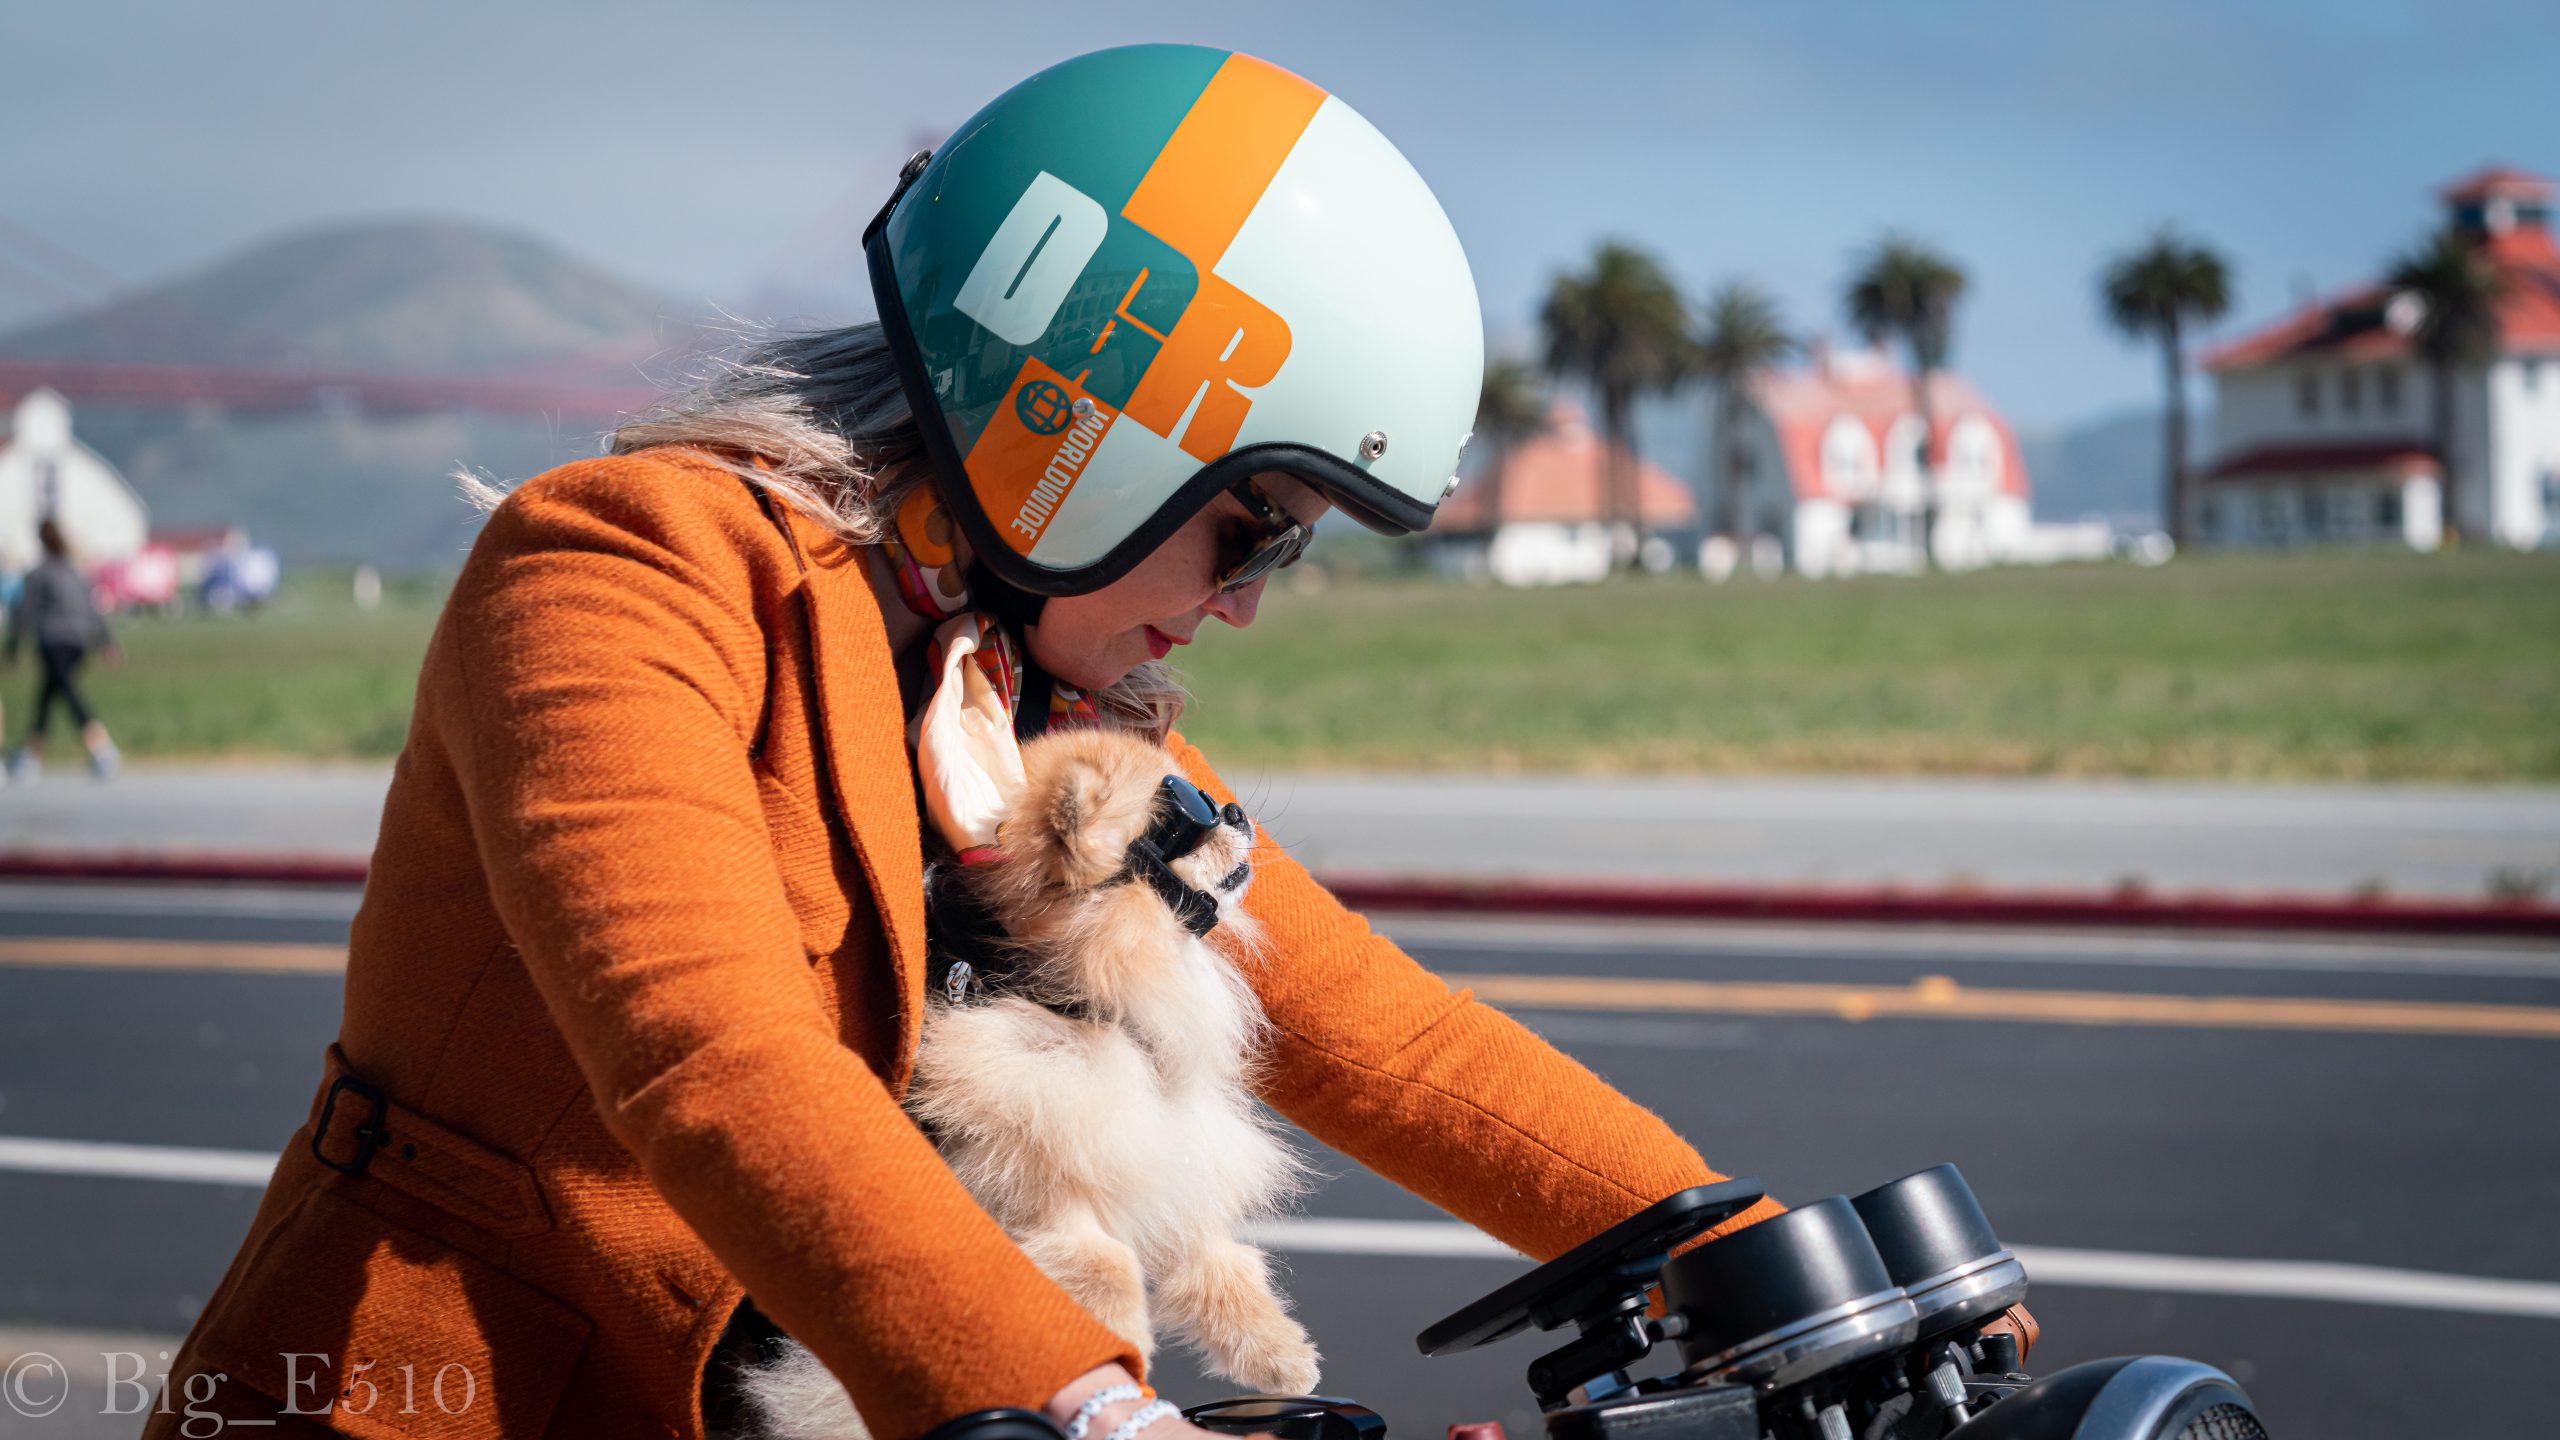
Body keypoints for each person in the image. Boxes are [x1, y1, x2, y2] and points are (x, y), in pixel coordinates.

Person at [147, 45, 2021, 1440]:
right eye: (1254, 522)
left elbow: (1359, 1021)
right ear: (1092, 430)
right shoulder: (621, 572)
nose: (1247, 601)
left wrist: (1737, 1240)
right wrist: (1084, 1403)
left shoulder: (1020, 688)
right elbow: (711, 1061)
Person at [5, 517, 121, 782]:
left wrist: (12, 647)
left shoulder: (40, 574)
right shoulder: (74, 572)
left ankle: (101, 747)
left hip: (55, 640)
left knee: (66, 691)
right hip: (80, 642)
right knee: (49, 693)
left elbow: (24, 611)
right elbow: (93, 609)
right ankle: (29, 756)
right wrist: (107, 642)